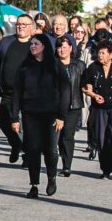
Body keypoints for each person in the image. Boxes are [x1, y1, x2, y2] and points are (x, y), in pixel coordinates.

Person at [10, 36, 68, 198]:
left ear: (45, 46)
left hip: (52, 115)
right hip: (31, 114)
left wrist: (61, 116)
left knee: (50, 149)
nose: (32, 46)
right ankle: (34, 185)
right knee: (33, 149)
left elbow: (65, 91)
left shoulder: (56, 66)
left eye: (36, 44)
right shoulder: (25, 66)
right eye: (31, 44)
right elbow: (17, 93)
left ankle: (51, 177)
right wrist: (14, 117)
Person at [0, 14, 35, 163]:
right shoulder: (6, 42)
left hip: (29, 93)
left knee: (29, 127)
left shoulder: (35, 44)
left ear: (31, 27)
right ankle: (15, 144)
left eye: (24, 24)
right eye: (19, 24)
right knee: (3, 121)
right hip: (9, 92)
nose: (20, 27)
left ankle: (28, 155)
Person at [82, 41, 112, 181]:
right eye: (99, 53)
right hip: (99, 109)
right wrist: (94, 95)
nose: (100, 55)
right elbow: (85, 86)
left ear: (111, 54)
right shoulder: (92, 68)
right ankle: (105, 169)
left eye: (103, 53)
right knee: (101, 138)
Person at [56, 37, 85, 176]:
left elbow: (85, 83)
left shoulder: (79, 65)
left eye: (65, 47)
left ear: (71, 48)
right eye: (59, 47)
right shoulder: (52, 65)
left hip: (73, 105)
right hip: (55, 106)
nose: (62, 50)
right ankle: (62, 156)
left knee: (68, 135)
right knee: (59, 137)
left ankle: (67, 166)